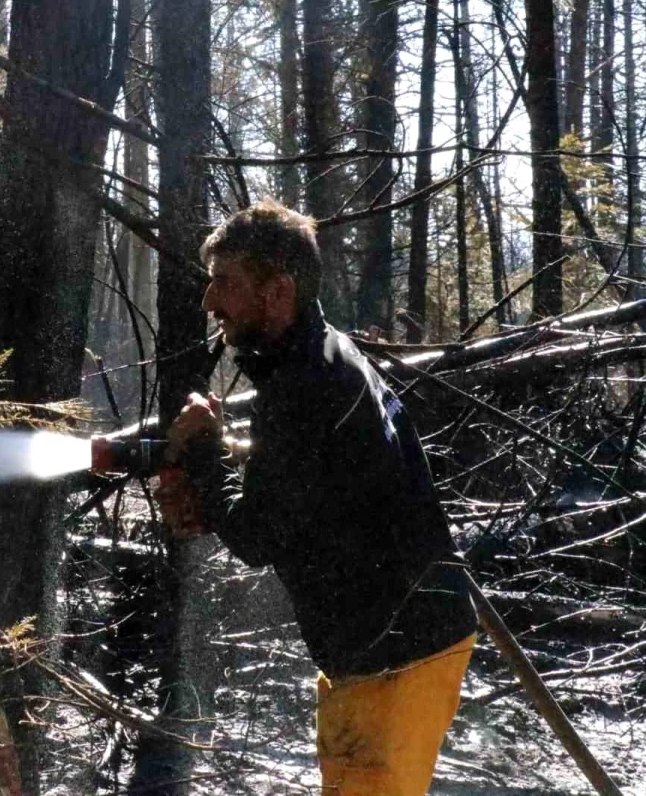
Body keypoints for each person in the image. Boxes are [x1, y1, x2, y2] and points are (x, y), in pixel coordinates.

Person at [159, 199, 478, 796]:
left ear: (276, 291)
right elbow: (300, 496)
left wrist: (203, 451)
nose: (209, 303)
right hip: (395, 648)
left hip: (395, 660)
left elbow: (255, 537)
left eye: (224, 284)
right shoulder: (322, 359)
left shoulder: (309, 387)